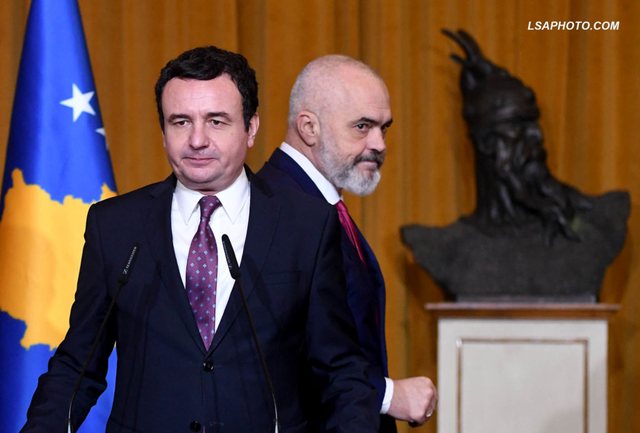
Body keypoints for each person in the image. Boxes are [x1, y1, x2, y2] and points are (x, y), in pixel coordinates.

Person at [21, 46, 379, 433]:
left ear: (251, 127)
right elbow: (78, 365)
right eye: (180, 122)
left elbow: (341, 373)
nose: (197, 139)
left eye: (216, 121)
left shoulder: (306, 225)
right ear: (163, 132)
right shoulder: (116, 226)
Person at [258, 55, 438, 431]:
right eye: (362, 126)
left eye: (384, 128)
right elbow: (277, 352)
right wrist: (388, 394)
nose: (379, 144)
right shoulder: (277, 208)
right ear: (309, 127)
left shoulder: (315, 201)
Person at [401, 29, 630, 301]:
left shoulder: (598, 223)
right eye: (519, 125)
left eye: (534, 124)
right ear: (486, 142)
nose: (536, 136)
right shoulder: (446, 249)